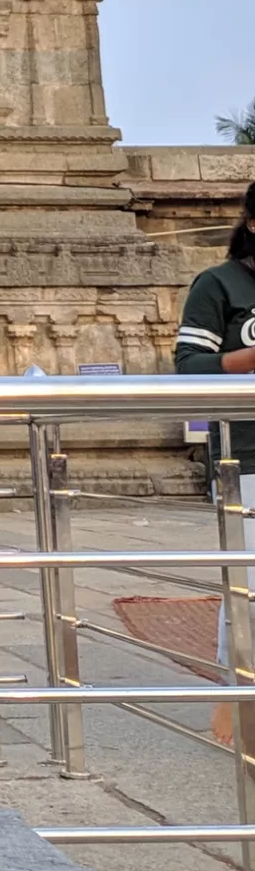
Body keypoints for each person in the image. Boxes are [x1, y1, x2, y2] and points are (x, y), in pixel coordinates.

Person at [175, 181, 255, 744]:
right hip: (246, 457)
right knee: (249, 585)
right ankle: (236, 702)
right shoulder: (219, 284)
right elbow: (189, 366)